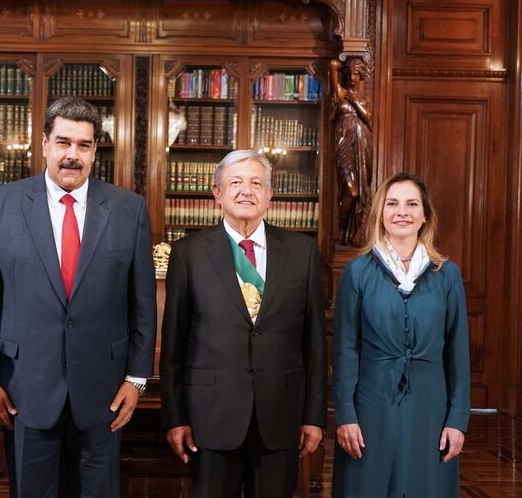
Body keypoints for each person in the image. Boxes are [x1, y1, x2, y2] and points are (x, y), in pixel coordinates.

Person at [0, 96, 156, 497]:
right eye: (64, 143)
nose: (73, 155)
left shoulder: (128, 209)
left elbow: (142, 303)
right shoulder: (1, 205)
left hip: (104, 392)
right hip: (23, 388)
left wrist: (136, 379)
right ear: (45, 144)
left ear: (95, 151)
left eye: (83, 145)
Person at [160, 150, 326, 498]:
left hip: (280, 415)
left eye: (256, 183)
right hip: (211, 416)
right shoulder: (188, 253)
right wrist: (175, 417)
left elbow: (315, 343)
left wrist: (314, 415)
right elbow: (174, 346)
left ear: (270, 194)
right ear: (217, 193)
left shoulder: (302, 252)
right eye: (235, 182)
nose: (246, 191)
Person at [332, 172, 470, 497]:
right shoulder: (357, 272)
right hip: (370, 406)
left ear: (425, 216)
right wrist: (345, 416)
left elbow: (457, 352)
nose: (402, 212)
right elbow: (345, 350)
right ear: (381, 213)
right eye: (392, 204)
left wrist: (458, 419)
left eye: (411, 204)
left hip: (432, 408)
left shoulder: (447, 274)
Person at [330, 57, 373, 246]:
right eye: (349, 73)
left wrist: (355, 101)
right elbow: (333, 65)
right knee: (351, 191)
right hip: (343, 145)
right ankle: (340, 232)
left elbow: (368, 116)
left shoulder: (363, 98)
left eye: (356, 73)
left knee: (360, 191)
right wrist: (340, 68)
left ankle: (353, 234)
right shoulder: (341, 93)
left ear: (362, 75)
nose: (353, 77)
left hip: (361, 144)